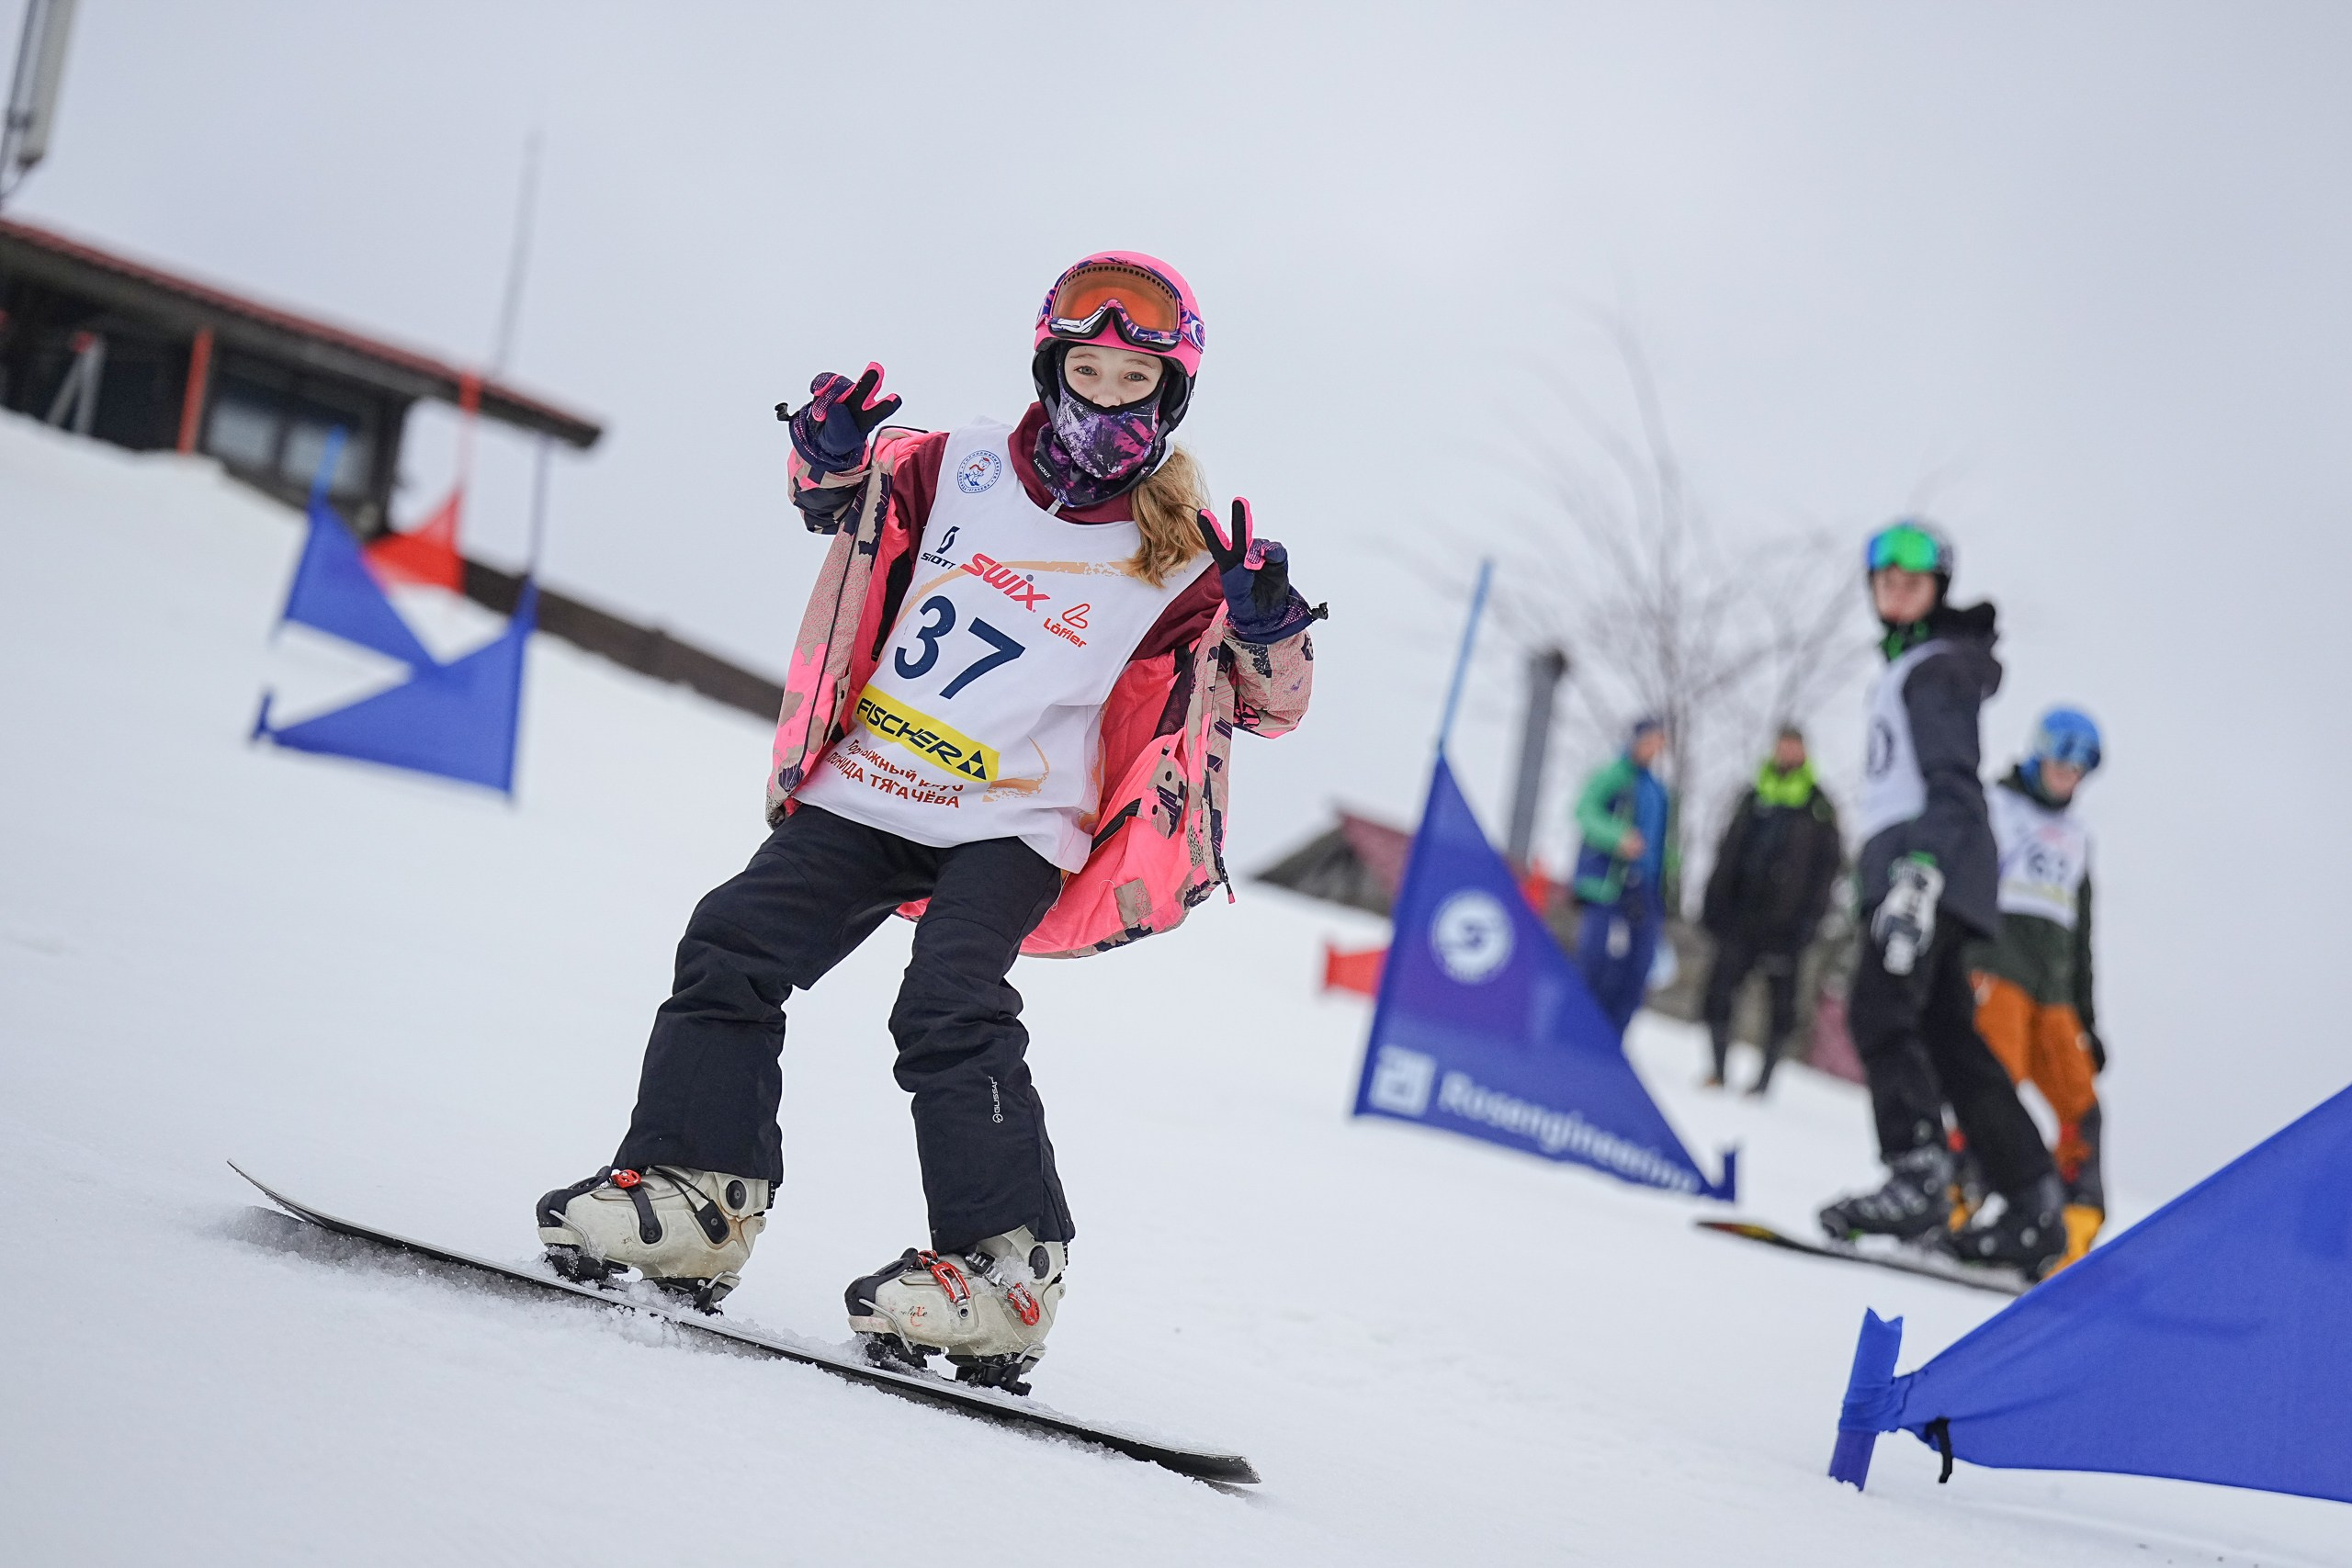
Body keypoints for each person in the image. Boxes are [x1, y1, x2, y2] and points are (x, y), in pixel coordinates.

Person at [535, 253, 1317, 1392]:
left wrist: (1267, 623)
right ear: (1050, 369)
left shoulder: (1187, 556)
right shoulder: (953, 467)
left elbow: (1267, 704)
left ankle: (1003, 1272)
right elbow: (832, 505)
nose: (1103, 401)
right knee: (732, 940)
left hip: (1015, 818)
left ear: (1168, 397)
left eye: (1131, 382)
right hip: (876, 782)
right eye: (1085, 370)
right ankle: (695, 1192)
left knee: (948, 999)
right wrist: (827, 450)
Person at [1815, 520, 2065, 1279]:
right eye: (1882, 573)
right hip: (1936, 869)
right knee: (1953, 1039)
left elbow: (1953, 783)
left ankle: (1918, 1173)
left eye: (1914, 573)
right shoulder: (1917, 666)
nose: (1894, 581)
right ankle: (2031, 1200)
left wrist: (1918, 875)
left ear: (1939, 587)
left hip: (1930, 867)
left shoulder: (1935, 668)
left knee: (1879, 1008)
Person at [1969, 706, 2108, 1270]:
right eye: (2061, 759)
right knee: (1991, 1090)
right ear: (2038, 753)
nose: (2068, 773)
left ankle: (2069, 1238)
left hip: (2054, 994)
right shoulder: (1996, 807)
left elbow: (2081, 939)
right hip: (1997, 967)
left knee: (2084, 1107)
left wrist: (2088, 1019)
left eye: (2081, 766)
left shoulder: (2077, 840)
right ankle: (1957, 1205)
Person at [1698, 724, 1842, 1094]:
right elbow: (1728, 850)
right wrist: (1714, 901)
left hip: (1787, 927)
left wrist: (1811, 921)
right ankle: (1717, 1068)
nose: (1786, 753)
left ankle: (1764, 1081)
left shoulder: (1818, 806)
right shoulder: (1752, 796)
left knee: (1781, 1007)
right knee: (1719, 992)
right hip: (1740, 918)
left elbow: (1827, 869)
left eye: (1793, 747)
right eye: (1782, 746)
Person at [1570, 716, 1672, 1033]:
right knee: (1596, 960)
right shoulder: (1613, 776)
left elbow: (1663, 843)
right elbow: (1584, 811)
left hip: (1644, 891)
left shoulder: (1659, 791)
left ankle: (1614, 1036)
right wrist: (1619, 837)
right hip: (1606, 885)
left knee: (1638, 968)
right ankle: (1579, 1028)